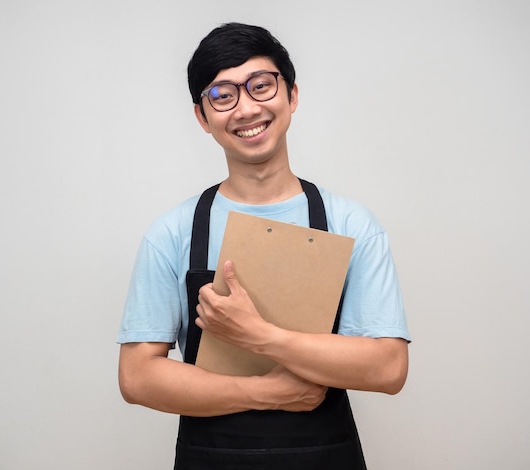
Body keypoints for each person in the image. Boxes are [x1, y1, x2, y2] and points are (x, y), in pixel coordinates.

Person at [117, 22, 411, 470]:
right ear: (202, 116)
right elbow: (137, 378)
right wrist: (266, 392)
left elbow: (389, 368)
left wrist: (260, 335)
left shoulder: (351, 223)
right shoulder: (172, 232)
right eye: (222, 95)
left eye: (260, 86)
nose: (246, 108)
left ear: (292, 95)